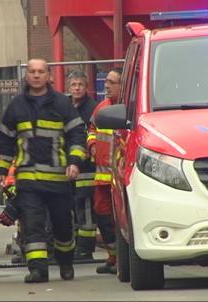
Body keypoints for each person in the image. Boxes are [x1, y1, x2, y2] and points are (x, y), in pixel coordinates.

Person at [0, 58, 86, 283]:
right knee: (32, 226)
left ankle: (65, 262)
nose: (36, 75)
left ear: (49, 76)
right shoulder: (16, 106)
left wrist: (74, 161)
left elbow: (77, 135)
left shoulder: (63, 104)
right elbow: (6, 140)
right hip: (28, 179)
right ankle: (38, 270)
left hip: (58, 179)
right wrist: (1, 169)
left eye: (41, 72)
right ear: (27, 76)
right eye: (32, 72)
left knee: (63, 226)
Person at [87, 67, 122, 274]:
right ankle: (113, 257)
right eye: (106, 81)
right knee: (104, 217)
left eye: (111, 82)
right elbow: (91, 130)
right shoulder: (101, 108)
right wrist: (91, 145)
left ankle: (121, 259)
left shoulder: (130, 108)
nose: (106, 85)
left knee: (120, 220)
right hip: (102, 176)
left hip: (121, 176)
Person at [67, 70, 98, 260]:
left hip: (86, 169)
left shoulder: (92, 109)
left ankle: (85, 249)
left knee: (86, 209)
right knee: (72, 208)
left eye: (80, 85)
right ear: (68, 88)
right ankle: (75, 245)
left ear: (86, 88)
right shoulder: (66, 108)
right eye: (74, 85)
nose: (77, 88)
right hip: (69, 168)